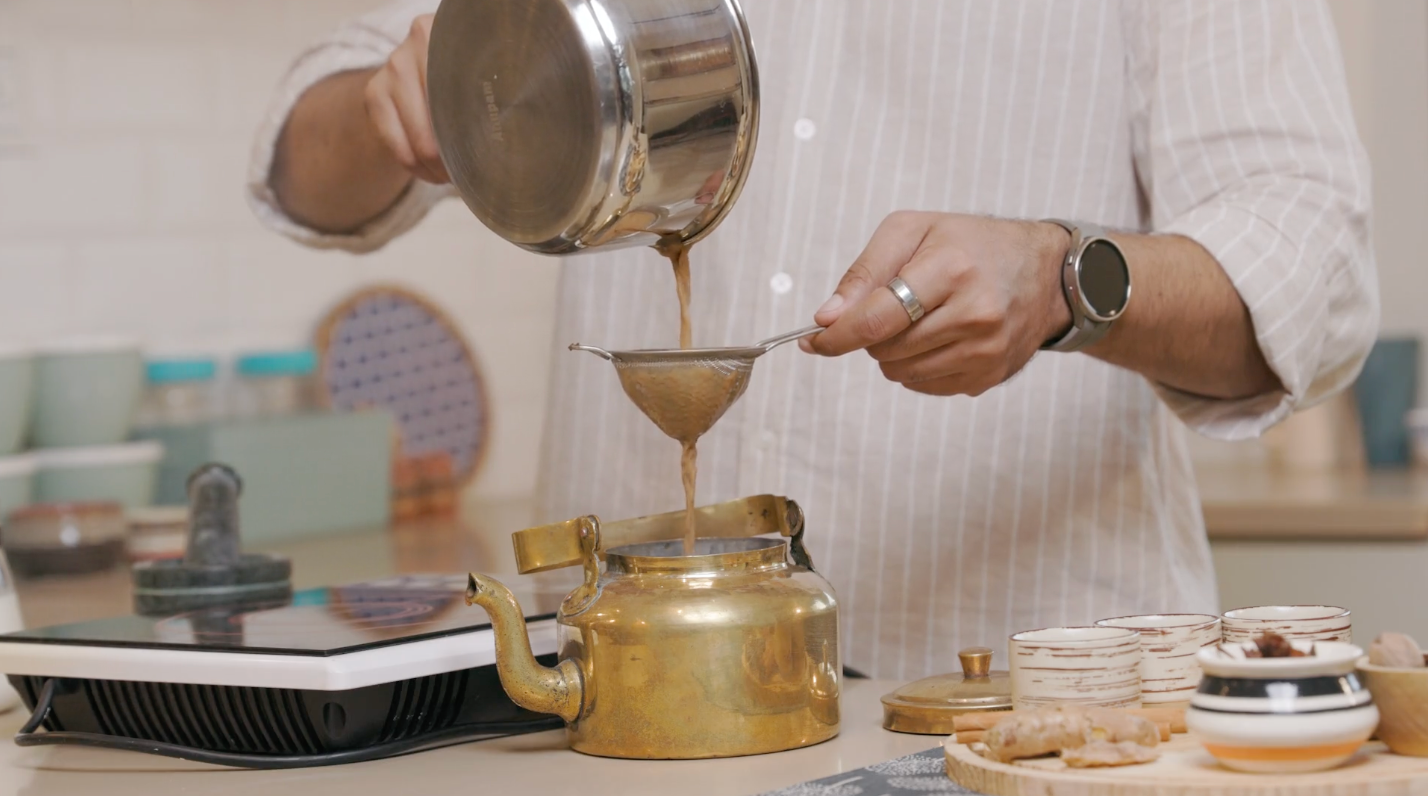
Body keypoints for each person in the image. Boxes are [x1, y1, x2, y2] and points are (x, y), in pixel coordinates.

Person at [248, 1, 1377, 679]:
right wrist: (395, 101)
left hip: (1032, 712)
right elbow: (304, 169)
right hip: (620, 709)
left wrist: (1060, 280)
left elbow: (1308, 271)